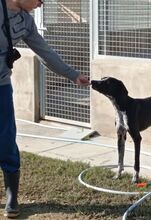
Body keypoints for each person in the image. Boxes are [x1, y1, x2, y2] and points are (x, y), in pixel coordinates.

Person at [0, 0, 90, 217]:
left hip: (1, 84)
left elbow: (45, 52)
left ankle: (12, 194)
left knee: (5, 139)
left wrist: (72, 74)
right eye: (40, 0)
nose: (41, 5)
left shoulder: (25, 21)